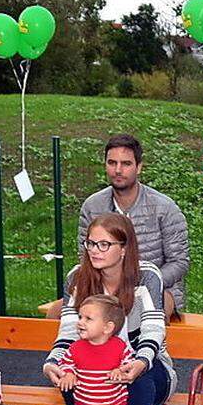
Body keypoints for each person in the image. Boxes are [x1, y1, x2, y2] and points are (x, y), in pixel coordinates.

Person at [44, 213, 177, 405]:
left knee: (139, 376)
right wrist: (52, 362)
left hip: (148, 368)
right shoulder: (77, 278)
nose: (95, 250)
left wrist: (140, 362)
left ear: (124, 248)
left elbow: (153, 329)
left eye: (104, 244)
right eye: (91, 243)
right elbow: (68, 332)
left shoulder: (147, 276)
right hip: (97, 372)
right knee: (71, 371)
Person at [78, 134, 189, 315]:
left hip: (157, 291)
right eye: (112, 163)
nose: (118, 170)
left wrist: (142, 282)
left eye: (126, 164)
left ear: (138, 167)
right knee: (57, 313)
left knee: (139, 313)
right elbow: (85, 256)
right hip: (103, 290)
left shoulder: (165, 208)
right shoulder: (92, 207)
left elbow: (179, 262)